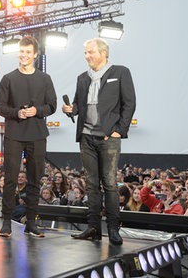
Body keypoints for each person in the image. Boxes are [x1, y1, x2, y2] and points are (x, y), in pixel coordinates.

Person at [63, 37, 135, 245]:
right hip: (86, 137)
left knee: (110, 184)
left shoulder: (120, 72)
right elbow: (79, 105)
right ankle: (93, 227)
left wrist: (119, 131)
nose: (87, 56)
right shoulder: (82, 77)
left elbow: (129, 104)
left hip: (108, 137)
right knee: (92, 185)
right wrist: (71, 110)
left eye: (90, 52)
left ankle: (113, 229)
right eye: (85, 53)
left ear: (103, 52)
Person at [0, 35, 57, 238]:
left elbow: (52, 106)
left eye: (28, 52)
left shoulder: (45, 79)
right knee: (10, 178)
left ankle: (32, 222)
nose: (24, 55)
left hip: (37, 134)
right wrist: (17, 113)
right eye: (21, 51)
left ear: (35, 55)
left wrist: (37, 111)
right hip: (14, 134)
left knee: (34, 180)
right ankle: (6, 222)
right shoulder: (8, 78)